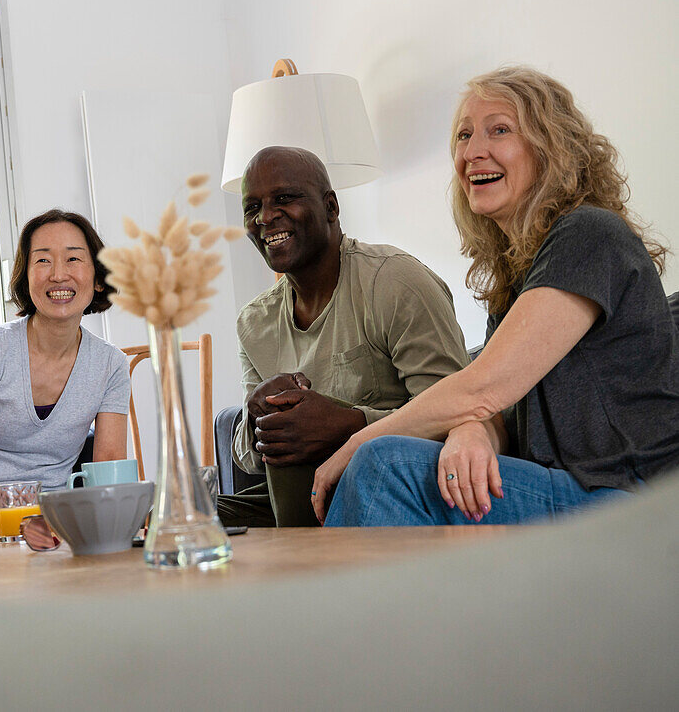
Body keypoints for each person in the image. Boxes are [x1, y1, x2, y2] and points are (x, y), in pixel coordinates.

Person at [315, 66, 679, 526]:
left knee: (385, 464)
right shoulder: (517, 277)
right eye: (464, 136)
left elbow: (483, 387)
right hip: (574, 492)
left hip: (641, 503)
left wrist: (355, 442)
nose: (472, 152)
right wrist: (473, 434)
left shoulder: (591, 234)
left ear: (551, 149)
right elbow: (495, 408)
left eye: (499, 130)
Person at [220, 146, 470, 527]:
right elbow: (249, 460)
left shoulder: (394, 282)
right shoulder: (254, 322)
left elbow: (458, 418)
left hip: (396, 487)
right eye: (252, 208)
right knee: (176, 523)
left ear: (331, 208)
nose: (266, 217)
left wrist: (349, 423)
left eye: (284, 199)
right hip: (300, 492)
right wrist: (256, 416)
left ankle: (312, 566)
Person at [0, 209, 130, 511]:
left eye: (73, 259)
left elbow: (108, 466)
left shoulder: (111, 365)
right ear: (26, 277)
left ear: (98, 278)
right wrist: (23, 518)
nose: (58, 274)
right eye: (43, 260)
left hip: (59, 514)